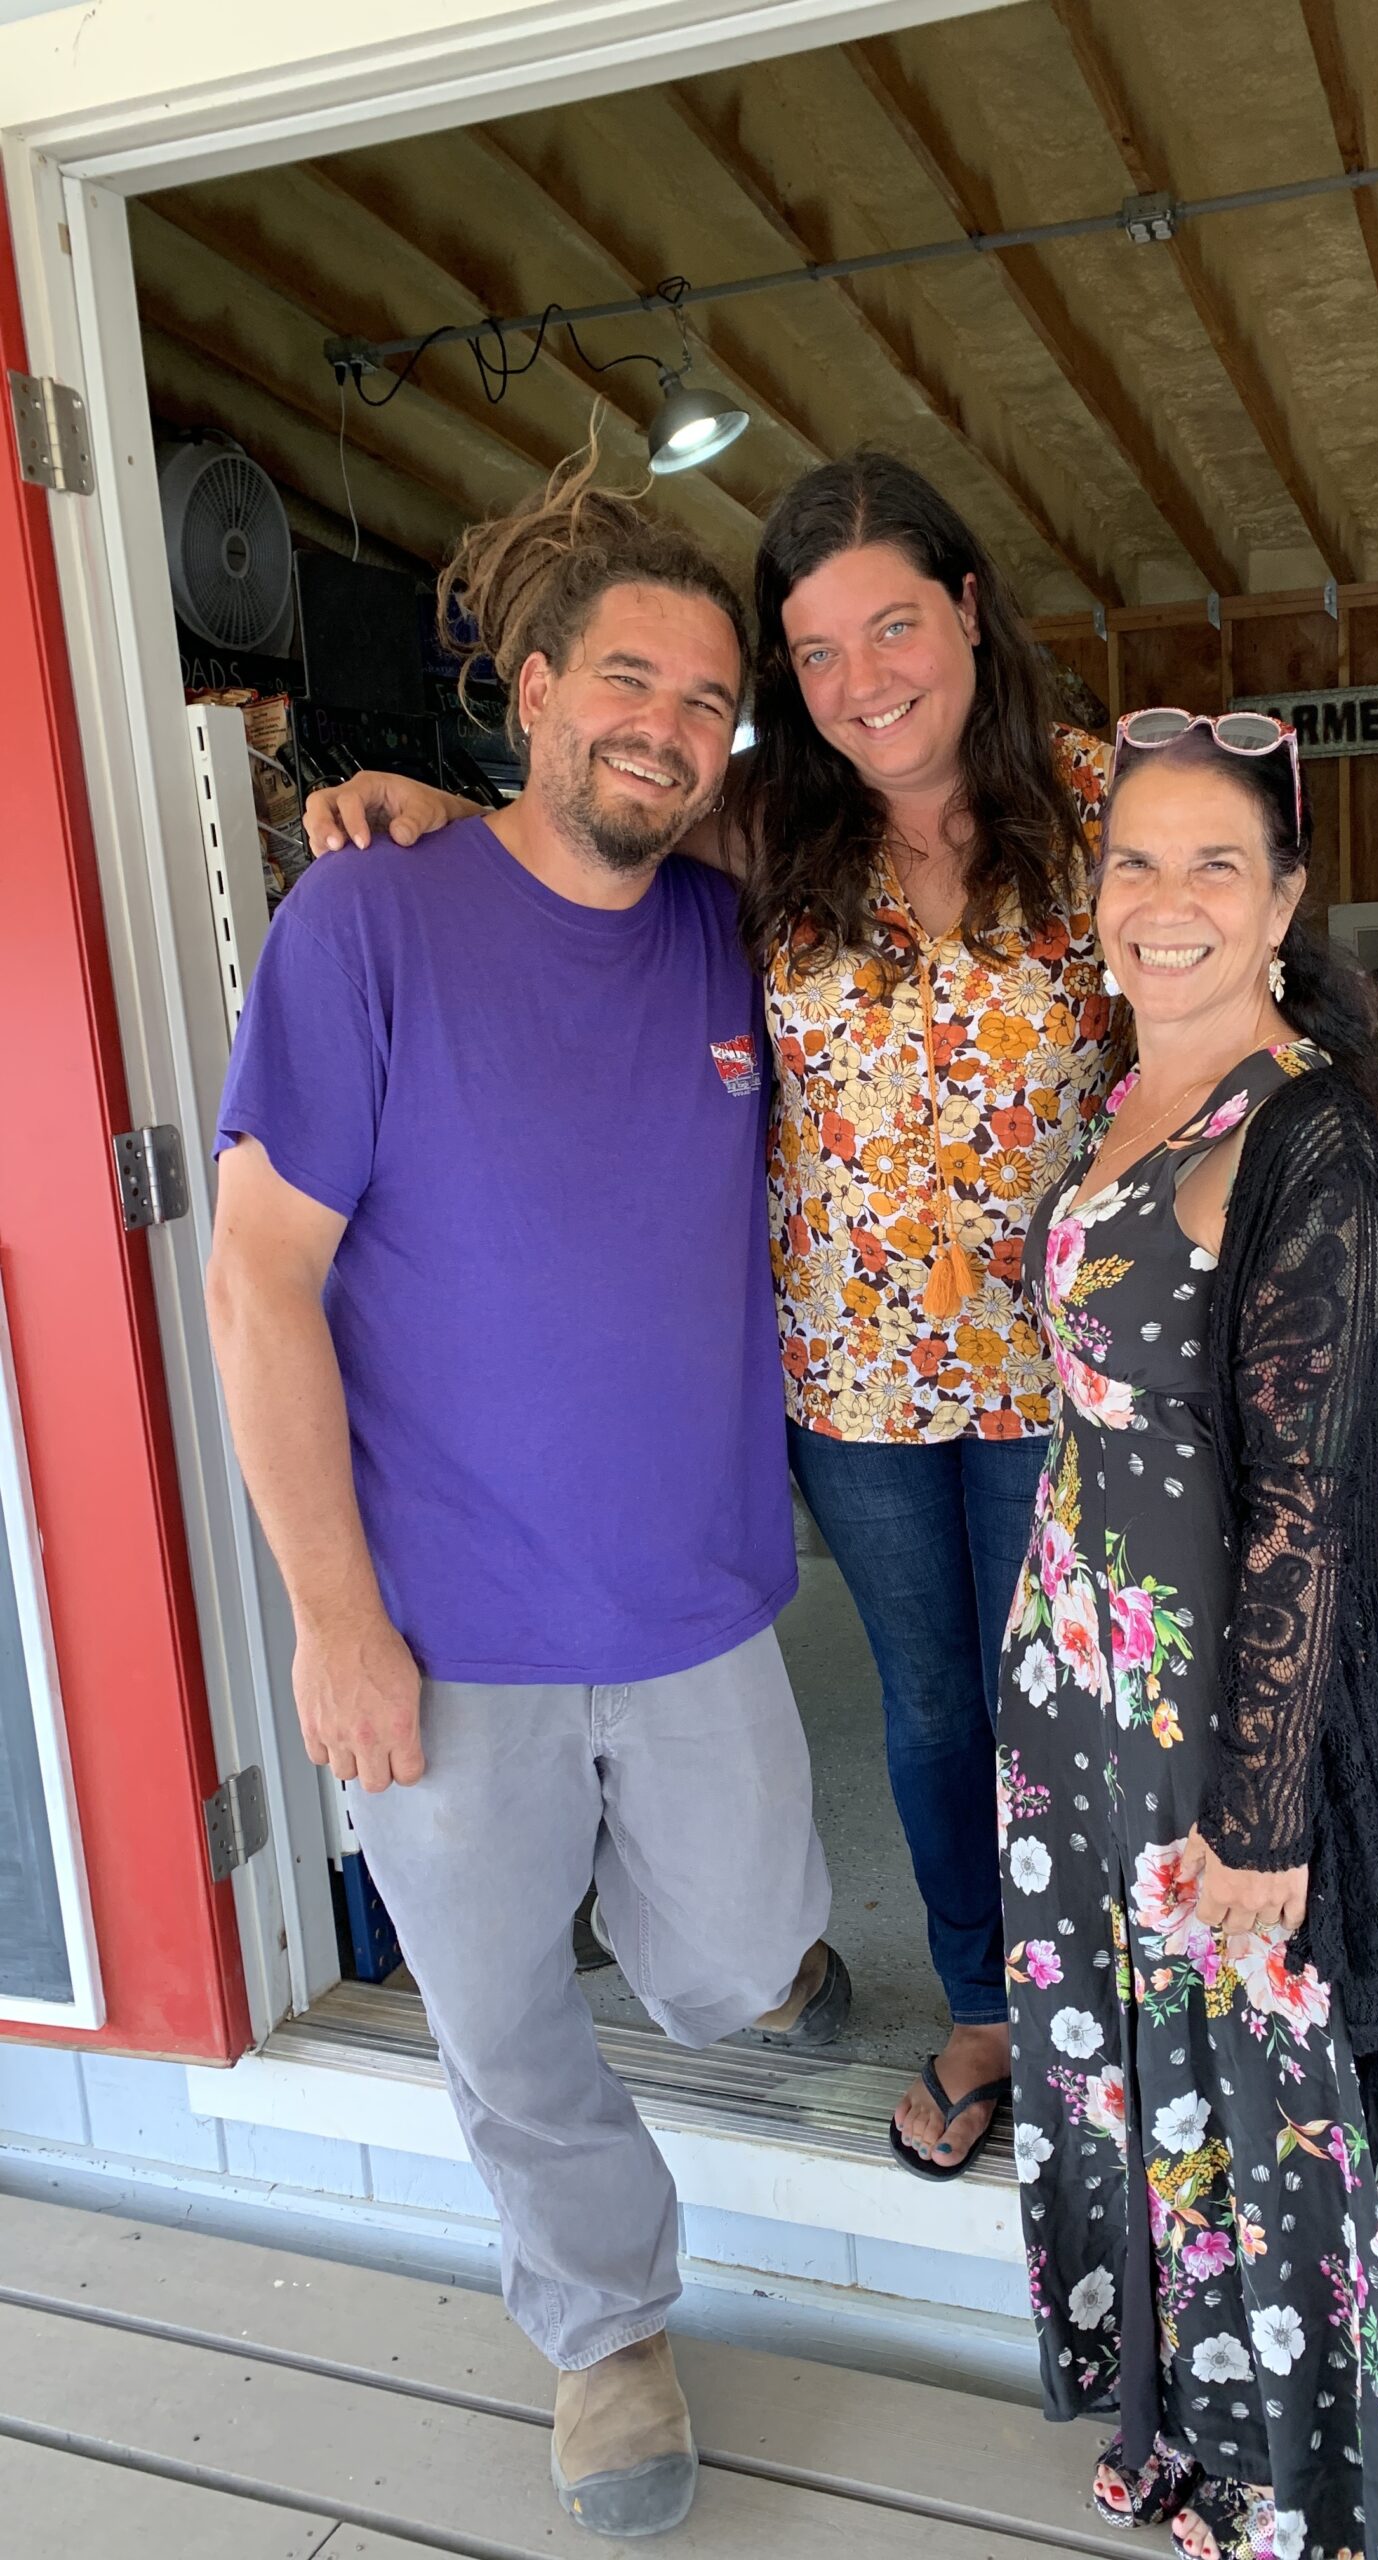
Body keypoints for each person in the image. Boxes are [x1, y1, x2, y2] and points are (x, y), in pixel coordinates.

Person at [304, 452, 1118, 2180]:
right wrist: (434, 822)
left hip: (1070, 1372)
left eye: (892, 624)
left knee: (1069, 1695)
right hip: (853, 1381)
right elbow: (587, 832)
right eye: (815, 654)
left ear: (968, 610)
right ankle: (984, 2004)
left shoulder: (1100, 801)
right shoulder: (775, 829)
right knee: (932, 1706)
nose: (862, 678)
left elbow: (1215, 991)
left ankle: (1096, 2013)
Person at [209, 458, 849, 2543]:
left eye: (711, 697)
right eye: (632, 678)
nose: (668, 720)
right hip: (448, 1623)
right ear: (541, 682)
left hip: (692, 1598)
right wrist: (332, 1619)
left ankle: (666, 1916)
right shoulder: (367, 917)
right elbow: (259, 1275)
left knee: (747, 1956)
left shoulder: (727, 935)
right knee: (499, 2027)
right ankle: (606, 2331)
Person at [1000, 710, 1378, 2560]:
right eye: (1137, 860)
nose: (1169, 899)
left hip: (1224, 1711)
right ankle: (1193, 2434)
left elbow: (1308, 1507)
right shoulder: (1124, 1093)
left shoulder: (1309, 1148)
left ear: (1284, 900)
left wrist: (1266, 1809)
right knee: (1148, 2076)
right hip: (1088, 1688)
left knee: (1264, 2101)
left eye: (1220, 863)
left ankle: (1307, 2495)